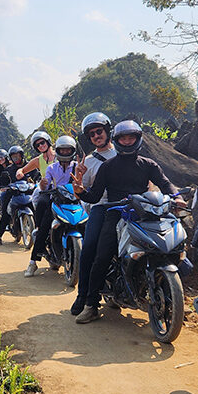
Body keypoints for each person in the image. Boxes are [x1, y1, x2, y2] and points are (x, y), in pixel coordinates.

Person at [71, 120, 186, 323]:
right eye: (123, 138)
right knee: (102, 254)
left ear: (137, 139)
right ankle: (91, 304)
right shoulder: (107, 167)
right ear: (117, 140)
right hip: (116, 212)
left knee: (171, 244)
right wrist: (80, 191)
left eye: (131, 137)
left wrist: (176, 197)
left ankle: (174, 297)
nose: (127, 141)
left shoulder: (148, 164)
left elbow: (165, 183)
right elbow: (95, 196)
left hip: (144, 211)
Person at [69, 113, 117, 316]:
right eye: (92, 134)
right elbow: (82, 192)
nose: (96, 136)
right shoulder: (87, 161)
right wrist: (77, 185)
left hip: (127, 205)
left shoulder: (123, 153)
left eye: (99, 131)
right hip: (100, 206)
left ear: (107, 131)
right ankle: (84, 295)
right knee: (89, 248)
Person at [25, 135, 78, 276]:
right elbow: (45, 184)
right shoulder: (52, 168)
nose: (65, 153)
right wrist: (43, 184)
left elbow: (84, 183)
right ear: (59, 151)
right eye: (63, 150)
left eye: (68, 150)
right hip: (57, 200)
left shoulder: (78, 166)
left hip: (75, 201)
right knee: (45, 225)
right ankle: (33, 262)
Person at [0, 145, 39, 246]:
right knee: (5, 212)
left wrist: (37, 183)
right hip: (13, 192)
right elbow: (1, 180)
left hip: (28, 191)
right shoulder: (9, 169)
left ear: (22, 156)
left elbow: (37, 176)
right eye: (14, 157)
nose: (16, 159)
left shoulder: (30, 166)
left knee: (38, 208)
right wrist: (2, 186)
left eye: (17, 156)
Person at [16, 131, 55, 229]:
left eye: (42, 143)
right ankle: (38, 227)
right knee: (39, 202)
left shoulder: (59, 155)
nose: (41, 146)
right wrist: (19, 172)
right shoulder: (38, 160)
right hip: (45, 188)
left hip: (61, 186)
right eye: (37, 145)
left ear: (48, 141)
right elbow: (23, 169)